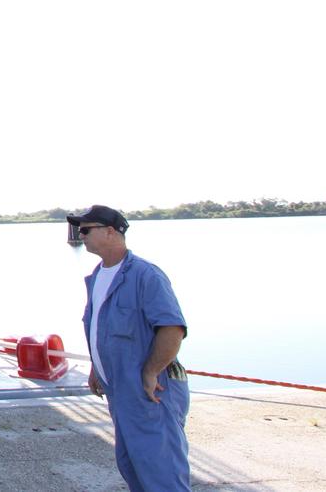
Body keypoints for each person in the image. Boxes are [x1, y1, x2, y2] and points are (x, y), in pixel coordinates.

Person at [70, 205, 190, 492]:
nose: (80, 235)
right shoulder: (98, 276)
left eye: (86, 229)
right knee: (132, 466)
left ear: (111, 232)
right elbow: (101, 327)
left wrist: (151, 372)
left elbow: (172, 328)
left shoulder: (145, 275)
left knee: (162, 473)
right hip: (119, 391)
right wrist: (96, 369)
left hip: (151, 391)